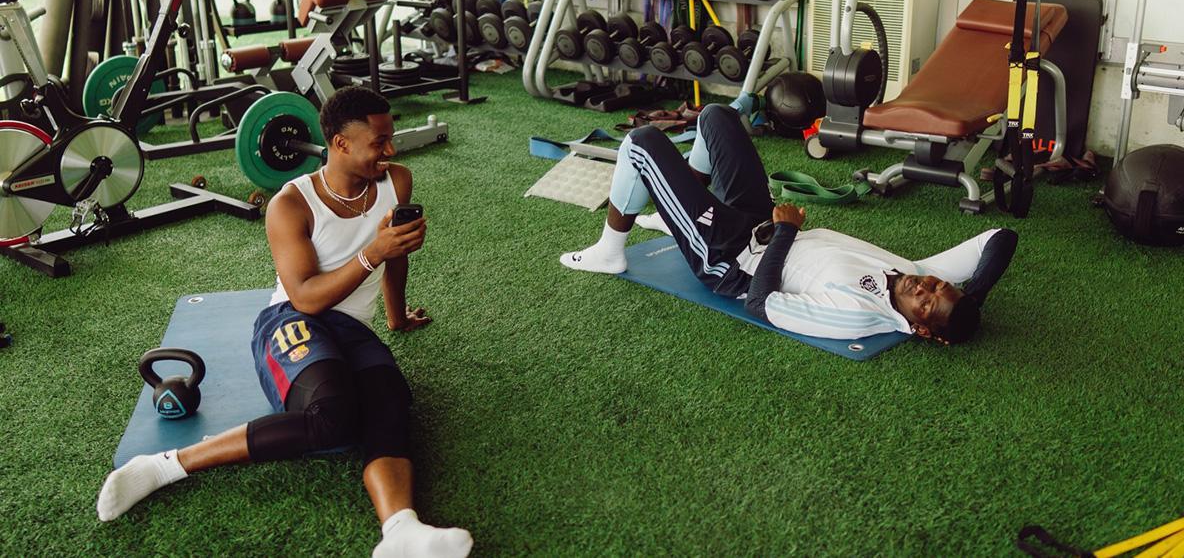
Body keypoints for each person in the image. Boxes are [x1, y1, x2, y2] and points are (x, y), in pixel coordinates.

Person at [96, 87, 472, 558]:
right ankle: (164, 466)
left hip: (353, 328)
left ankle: (402, 530)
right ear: (340, 144)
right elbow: (306, 295)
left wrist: (394, 317)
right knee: (332, 416)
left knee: (391, 401)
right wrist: (372, 252)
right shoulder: (290, 204)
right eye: (380, 142)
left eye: (390, 138)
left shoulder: (397, 182)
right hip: (290, 319)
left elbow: (397, 258)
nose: (391, 150)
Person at [560, 104, 1018, 344]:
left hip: (731, 259)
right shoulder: (913, 268)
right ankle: (680, 208)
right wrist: (973, 295)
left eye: (927, 305)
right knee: (717, 119)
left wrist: (786, 232)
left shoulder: (859, 317)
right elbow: (1000, 237)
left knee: (641, 143)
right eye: (938, 286)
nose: (925, 289)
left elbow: (761, 304)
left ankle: (609, 251)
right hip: (760, 223)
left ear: (921, 330)